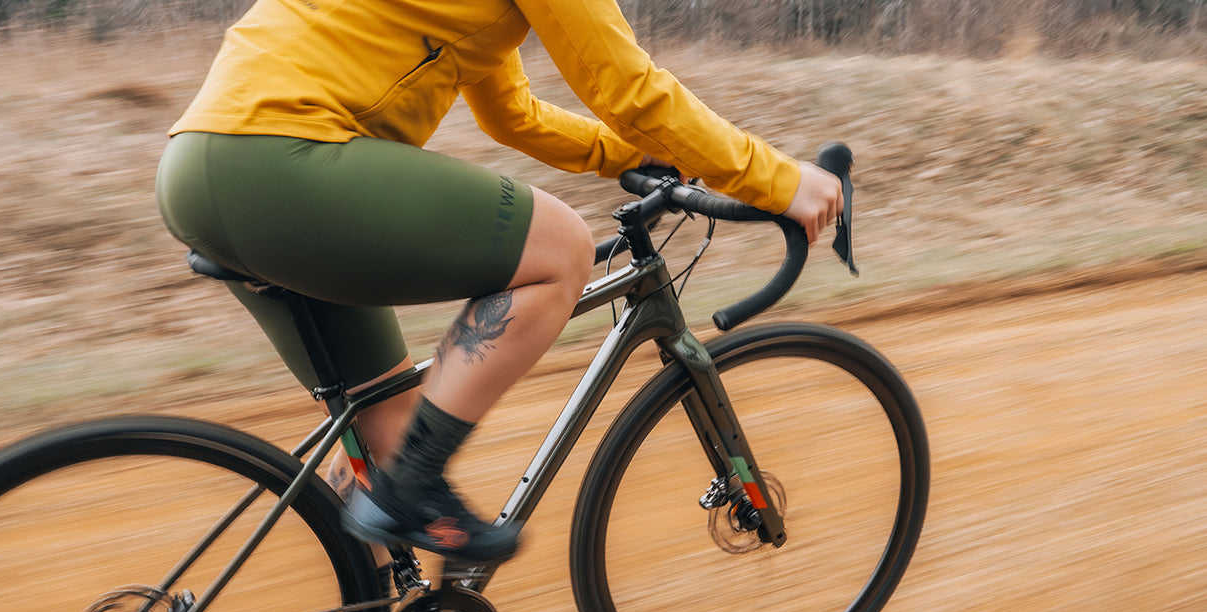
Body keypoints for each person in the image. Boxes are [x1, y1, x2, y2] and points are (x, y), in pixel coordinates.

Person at [155, 0, 843, 566]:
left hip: (201, 168)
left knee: (381, 433)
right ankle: (414, 486)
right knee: (561, 249)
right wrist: (780, 181)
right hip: (284, 161)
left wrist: (636, 158)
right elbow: (628, 90)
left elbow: (509, 111)